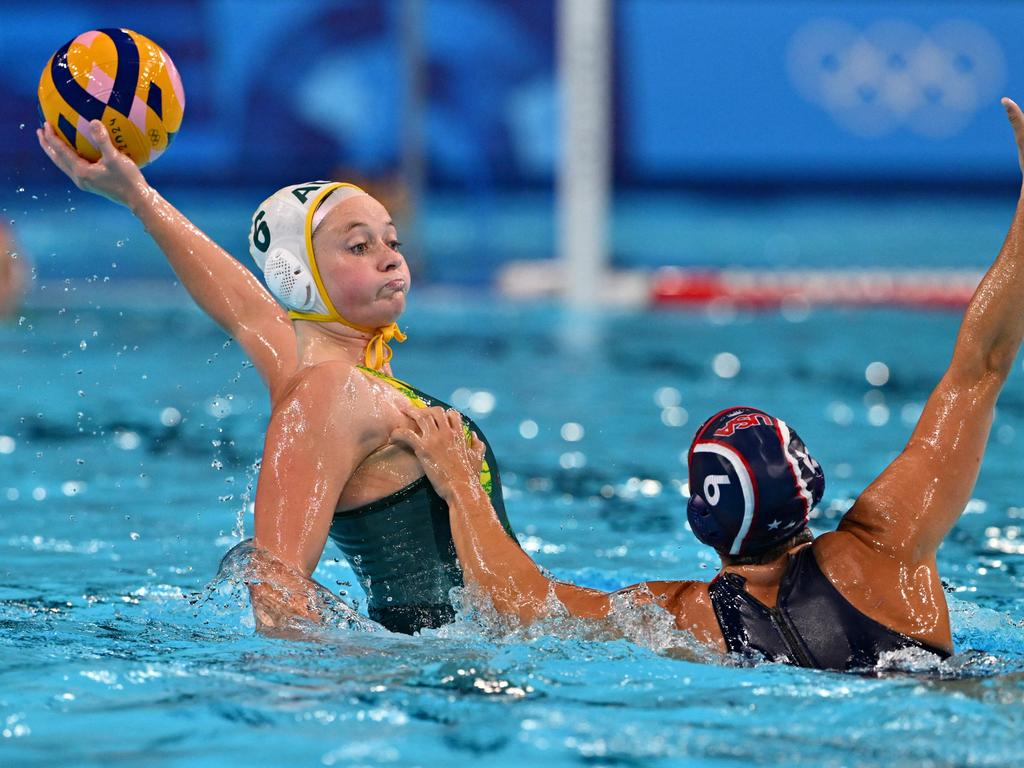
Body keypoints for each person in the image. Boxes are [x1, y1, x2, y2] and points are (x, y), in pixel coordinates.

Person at [389, 97, 1024, 671]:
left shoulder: (686, 620)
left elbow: (520, 607)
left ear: (699, 519)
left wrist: (459, 483)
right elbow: (982, 367)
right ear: (810, 485)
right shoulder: (887, 549)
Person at [36, 120, 515, 635]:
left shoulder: (330, 375)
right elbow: (279, 604)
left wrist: (138, 196)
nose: (390, 256)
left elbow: (247, 310)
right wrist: (388, 671)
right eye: (359, 247)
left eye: (390, 241)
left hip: (451, 660)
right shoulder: (329, 392)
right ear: (299, 276)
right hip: (447, 673)